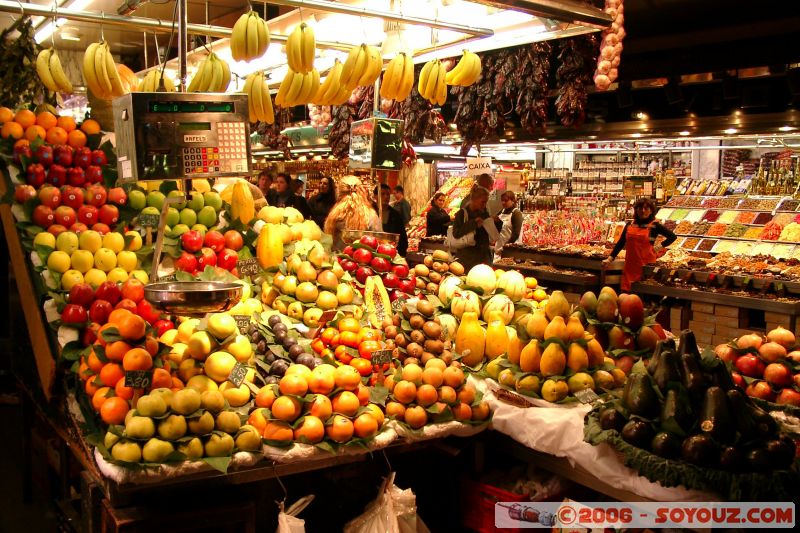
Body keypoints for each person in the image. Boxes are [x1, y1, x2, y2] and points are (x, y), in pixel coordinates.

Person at [605, 197, 677, 291]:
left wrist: (658, 247)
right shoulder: (629, 225)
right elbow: (621, 242)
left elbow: (672, 237)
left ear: (651, 211)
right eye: (640, 208)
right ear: (636, 210)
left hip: (646, 267)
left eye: (646, 208)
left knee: (643, 293)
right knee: (627, 295)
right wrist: (610, 258)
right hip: (630, 266)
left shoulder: (655, 226)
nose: (643, 211)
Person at [324, 176, 380, 251]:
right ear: (361, 191)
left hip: (337, 260)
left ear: (339, 192)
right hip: (363, 260)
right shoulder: (371, 214)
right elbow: (379, 241)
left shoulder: (333, 215)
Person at [451, 186, 493, 271]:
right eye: (482, 202)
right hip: (467, 258)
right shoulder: (462, 214)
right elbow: (456, 233)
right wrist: (473, 223)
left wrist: (494, 222)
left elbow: (488, 234)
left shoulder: (484, 213)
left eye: (486, 202)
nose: (484, 205)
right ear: (474, 200)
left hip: (483, 257)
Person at [378, 183, 408, 257]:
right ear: (375, 196)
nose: (386, 197)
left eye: (388, 194)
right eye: (382, 194)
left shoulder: (396, 215)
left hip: (392, 254)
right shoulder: (370, 213)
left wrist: (401, 255)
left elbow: (403, 238)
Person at [493, 191, 524, 262]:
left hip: (512, 249)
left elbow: (516, 234)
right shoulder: (502, 212)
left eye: (506, 200)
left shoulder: (516, 213)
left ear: (513, 200)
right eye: (502, 200)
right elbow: (498, 229)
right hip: (499, 247)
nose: (503, 202)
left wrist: (506, 246)